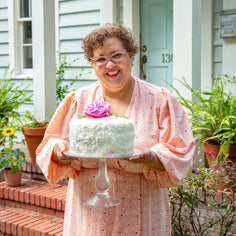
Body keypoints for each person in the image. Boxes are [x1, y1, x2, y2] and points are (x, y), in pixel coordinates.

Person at [36, 23, 195, 236]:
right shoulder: (78, 100)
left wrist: (151, 157)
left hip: (142, 206)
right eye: (100, 59)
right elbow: (49, 144)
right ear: (93, 64)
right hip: (89, 210)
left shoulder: (160, 100)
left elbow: (181, 150)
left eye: (117, 55)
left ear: (131, 56)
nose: (109, 64)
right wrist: (58, 152)